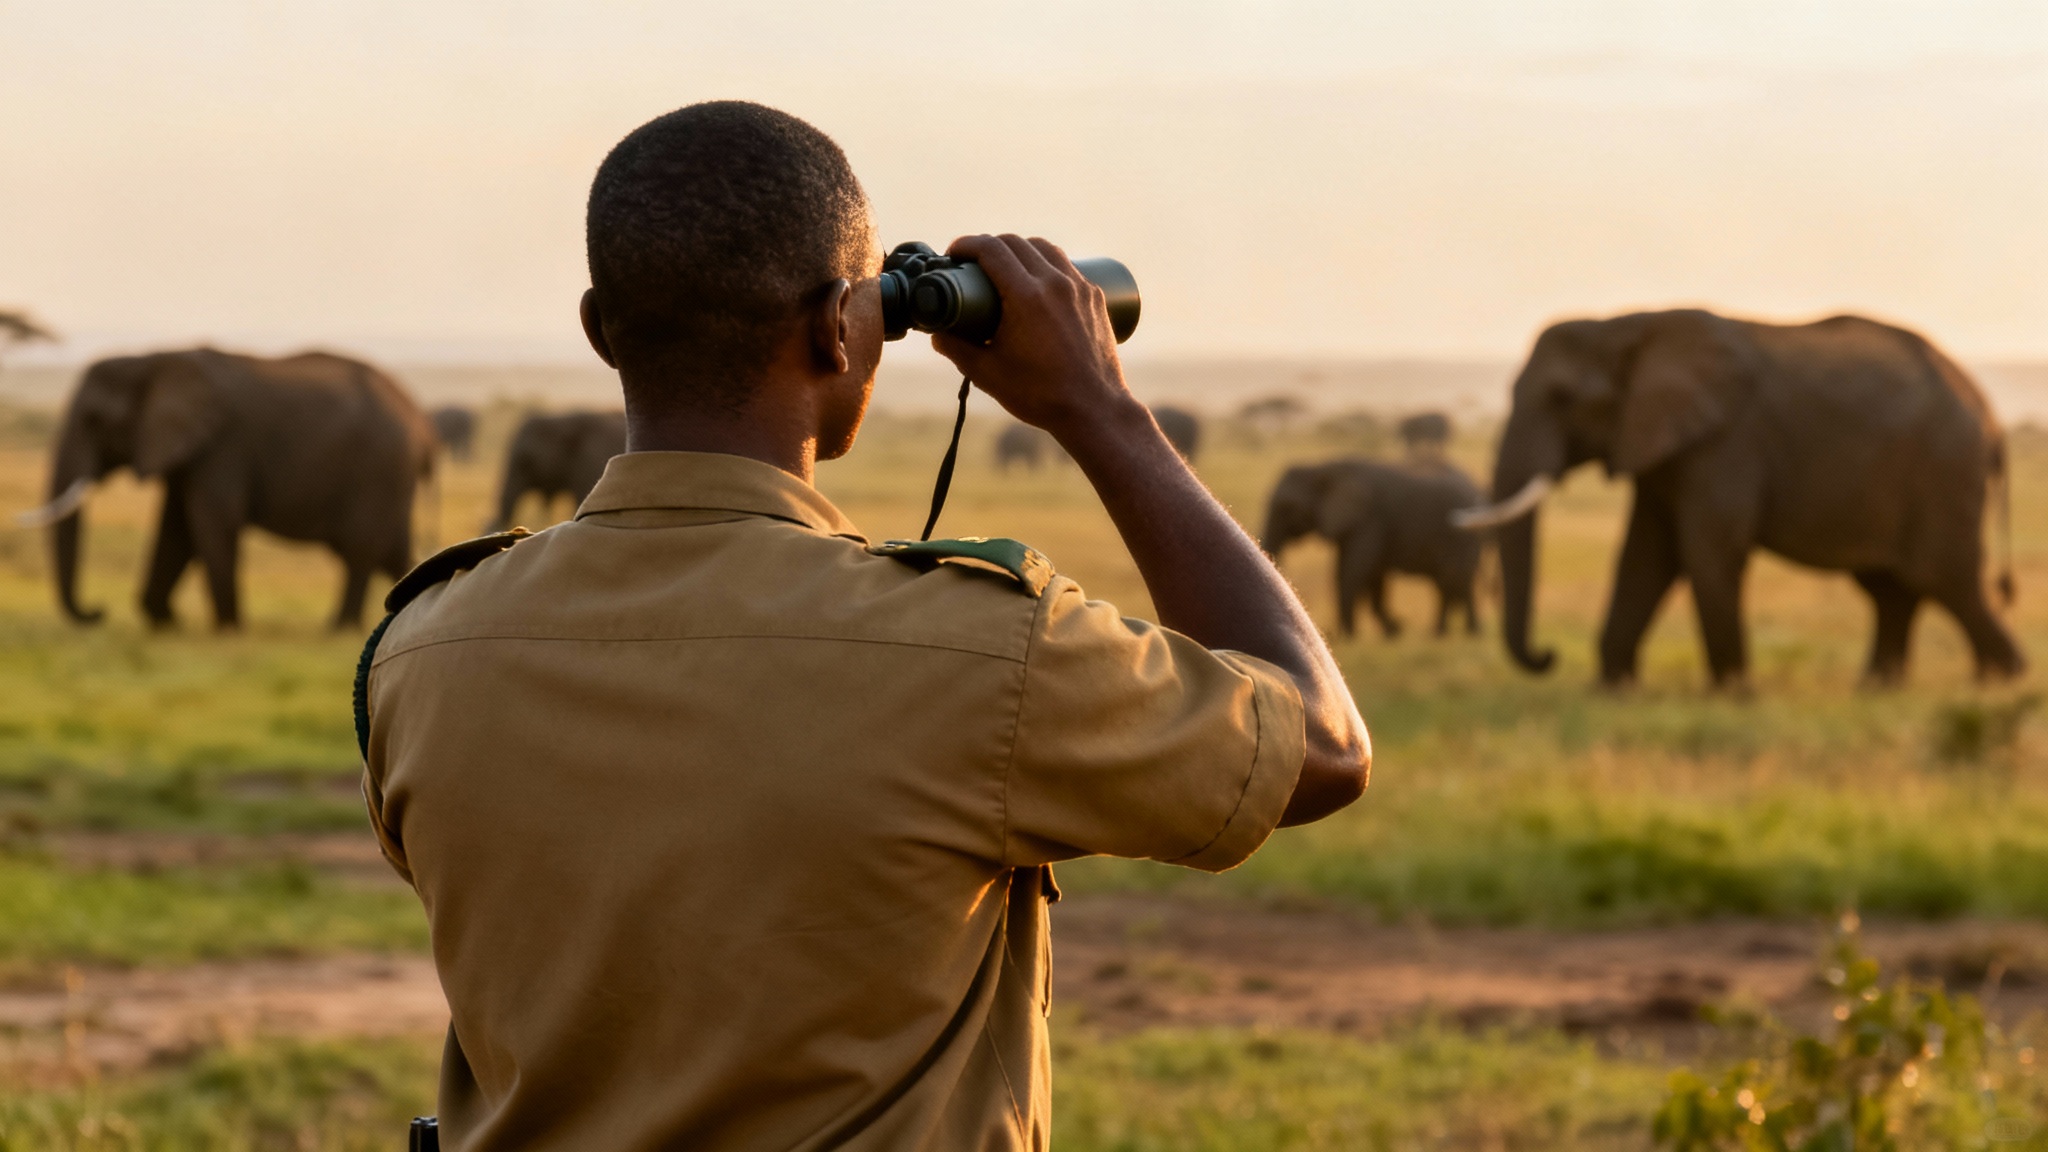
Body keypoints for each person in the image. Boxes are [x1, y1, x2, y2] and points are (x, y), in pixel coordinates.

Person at [358, 101, 1370, 1151]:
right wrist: (1097, 407)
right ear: (838, 329)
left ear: (600, 329)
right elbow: (1323, 751)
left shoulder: (423, 653)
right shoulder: (977, 656)